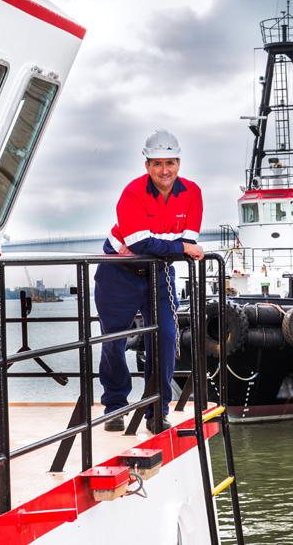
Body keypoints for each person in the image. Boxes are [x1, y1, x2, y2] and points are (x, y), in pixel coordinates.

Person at [94, 129, 204, 434]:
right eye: (157, 163)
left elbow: (186, 240)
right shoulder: (132, 193)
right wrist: (178, 247)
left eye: (170, 163)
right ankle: (115, 407)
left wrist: (169, 246)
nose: (164, 170)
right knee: (113, 341)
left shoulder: (192, 193)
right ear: (147, 165)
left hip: (159, 273)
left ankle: (158, 410)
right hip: (119, 273)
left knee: (166, 339)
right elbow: (142, 244)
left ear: (179, 163)